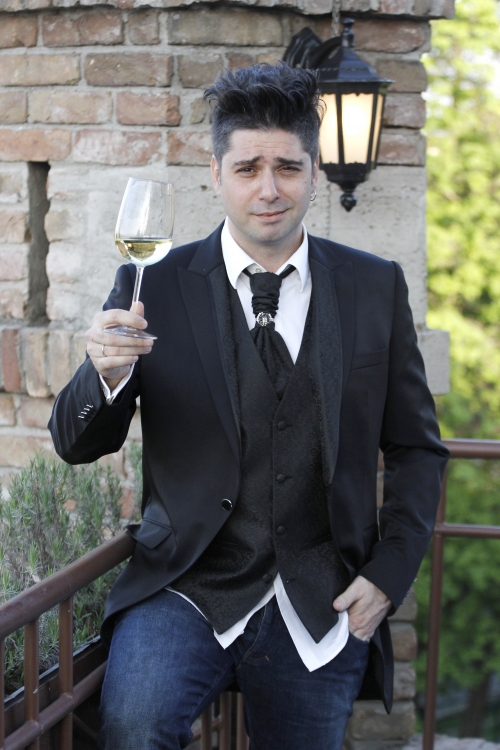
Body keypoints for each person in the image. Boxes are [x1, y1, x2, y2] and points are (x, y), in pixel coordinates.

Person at [49, 64, 449, 750]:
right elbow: (75, 443)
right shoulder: (153, 284)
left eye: (288, 167)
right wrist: (103, 375)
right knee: (135, 728)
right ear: (216, 174)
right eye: (248, 168)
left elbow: (417, 449)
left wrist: (388, 575)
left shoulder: (374, 285)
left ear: (315, 172)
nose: (269, 189)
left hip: (320, 595)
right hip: (185, 584)